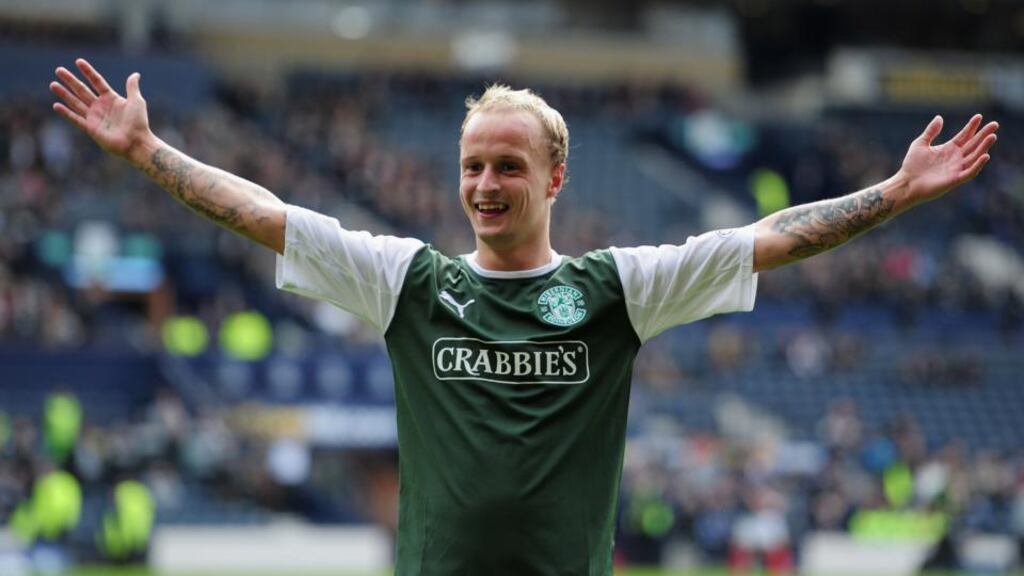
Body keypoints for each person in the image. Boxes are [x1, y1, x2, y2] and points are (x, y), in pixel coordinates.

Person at [49, 58, 998, 575]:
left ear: (555, 177)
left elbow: (772, 237)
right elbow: (262, 213)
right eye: (472, 165)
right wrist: (149, 153)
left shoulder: (618, 287)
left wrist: (895, 193)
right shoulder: (406, 281)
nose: (486, 183)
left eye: (508, 165)